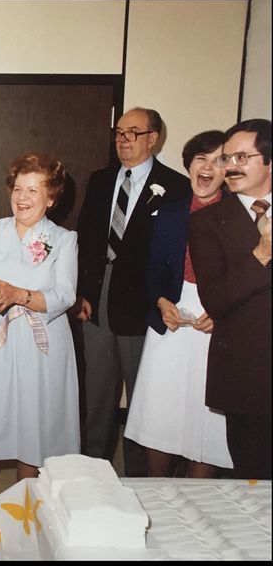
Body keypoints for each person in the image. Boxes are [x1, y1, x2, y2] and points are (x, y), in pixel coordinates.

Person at [0, 152, 79, 528]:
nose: (23, 197)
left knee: (34, 419)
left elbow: (65, 295)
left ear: (51, 198)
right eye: (18, 189)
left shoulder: (63, 239)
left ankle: (25, 500)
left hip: (43, 343)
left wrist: (20, 295)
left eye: (33, 190)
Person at [75, 107, 190, 477]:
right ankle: (93, 466)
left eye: (132, 133)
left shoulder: (175, 186)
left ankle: (140, 475)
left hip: (143, 302)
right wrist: (82, 292)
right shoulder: (100, 179)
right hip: (97, 297)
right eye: (119, 133)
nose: (123, 140)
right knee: (96, 388)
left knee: (142, 394)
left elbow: (174, 253)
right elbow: (86, 238)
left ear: (153, 138)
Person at [124, 130, 233, 477]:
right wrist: (160, 300)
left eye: (219, 161)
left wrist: (223, 312)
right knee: (160, 409)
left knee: (206, 417)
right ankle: (158, 489)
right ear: (189, 164)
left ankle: (199, 497)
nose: (208, 167)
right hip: (171, 314)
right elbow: (154, 266)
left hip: (216, 318)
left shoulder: (238, 216)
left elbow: (246, 278)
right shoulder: (170, 212)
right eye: (201, 158)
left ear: (229, 171)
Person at [188, 118, 272, 480]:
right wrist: (262, 253)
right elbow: (216, 299)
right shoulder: (208, 222)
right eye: (227, 158)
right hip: (247, 372)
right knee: (254, 477)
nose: (230, 166)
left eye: (241, 157)